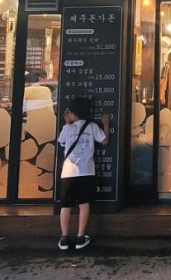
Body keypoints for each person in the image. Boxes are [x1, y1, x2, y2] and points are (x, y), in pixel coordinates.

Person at [57, 98, 110, 250]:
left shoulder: (68, 128)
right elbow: (104, 141)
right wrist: (106, 124)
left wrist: (67, 123)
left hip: (68, 172)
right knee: (84, 204)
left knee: (66, 205)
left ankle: (64, 238)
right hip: (86, 170)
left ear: (72, 113)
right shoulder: (92, 126)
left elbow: (61, 141)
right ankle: (80, 237)